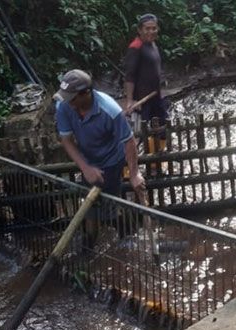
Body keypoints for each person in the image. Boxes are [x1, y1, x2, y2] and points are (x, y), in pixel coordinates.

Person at [55, 69, 145, 197]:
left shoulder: (111, 111)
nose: (68, 102)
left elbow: (129, 141)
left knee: (108, 200)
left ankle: (112, 213)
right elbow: (66, 140)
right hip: (87, 157)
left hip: (111, 159)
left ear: (86, 93)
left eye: (72, 99)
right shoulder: (63, 105)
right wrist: (85, 168)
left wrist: (134, 174)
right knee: (92, 202)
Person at [123, 13, 168, 154]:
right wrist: (130, 100)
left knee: (162, 126)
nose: (151, 31)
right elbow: (129, 76)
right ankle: (128, 170)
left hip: (155, 96)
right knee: (138, 134)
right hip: (141, 100)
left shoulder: (153, 44)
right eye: (147, 29)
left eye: (154, 28)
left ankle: (157, 159)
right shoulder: (136, 47)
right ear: (140, 30)